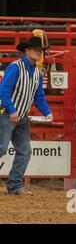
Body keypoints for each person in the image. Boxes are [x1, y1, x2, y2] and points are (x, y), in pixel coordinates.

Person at [0, 36, 53, 195]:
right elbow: (3, 90)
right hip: (6, 114)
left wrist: (47, 111)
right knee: (1, 148)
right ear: (27, 51)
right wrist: (12, 110)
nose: (38, 52)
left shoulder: (37, 72)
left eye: (40, 50)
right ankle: (15, 185)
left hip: (20, 116)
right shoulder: (15, 67)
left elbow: (39, 96)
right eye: (36, 49)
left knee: (25, 150)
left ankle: (15, 185)